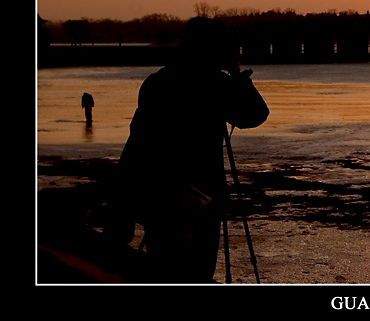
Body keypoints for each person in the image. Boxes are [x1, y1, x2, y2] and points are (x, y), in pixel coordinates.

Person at [105, 17, 269, 283]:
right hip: (203, 198)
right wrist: (236, 72)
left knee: (163, 269)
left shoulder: (157, 82)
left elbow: (136, 145)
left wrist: (122, 210)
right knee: (197, 273)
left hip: (160, 195)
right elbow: (255, 114)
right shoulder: (215, 85)